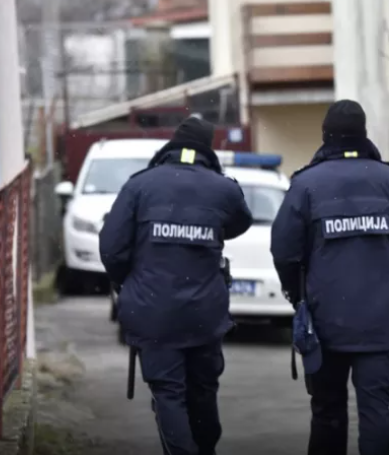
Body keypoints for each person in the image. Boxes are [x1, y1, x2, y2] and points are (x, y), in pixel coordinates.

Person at [270, 100, 389, 455]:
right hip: (380, 318)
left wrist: (298, 294)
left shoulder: (306, 184)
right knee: (376, 411)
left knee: (327, 411)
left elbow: (284, 249)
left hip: (324, 319)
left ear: (325, 135)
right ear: (363, 133)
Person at [99, 116, 253, 455]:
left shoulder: (140, 186)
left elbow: (111, 248)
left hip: (153, 311)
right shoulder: (222, 189)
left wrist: (130, 282)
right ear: (208, 147)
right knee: (203, 390)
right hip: (204, 314)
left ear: (173, 143)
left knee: (168, 393)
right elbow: (240, 222)